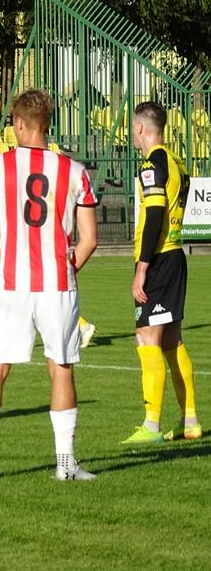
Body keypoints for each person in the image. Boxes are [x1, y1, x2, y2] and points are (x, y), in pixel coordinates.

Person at [0, 89, 99, 481]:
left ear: (18, 124)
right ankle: (65, 464)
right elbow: (89, 239)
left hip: (10, 285)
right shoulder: (74, 171)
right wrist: (67, 268)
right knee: (61, 369)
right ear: (46, 126)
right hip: (56, 285)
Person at [122, 101, 201, 444]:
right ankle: (191, 422)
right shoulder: (176, 161)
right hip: (175, 256)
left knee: (146, 337)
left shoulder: (152, 163)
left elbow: (154, 216)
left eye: (133, 129)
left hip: (159, 259)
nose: (133, 135)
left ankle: (150, 425)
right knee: (171, 340)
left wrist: (142, 268)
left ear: (140, 128)